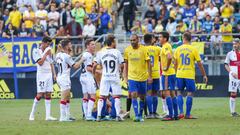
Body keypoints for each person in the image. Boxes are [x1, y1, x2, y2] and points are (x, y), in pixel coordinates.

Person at [174, 32, 208, 119]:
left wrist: (175, 73)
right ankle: (188, 114)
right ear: (190, 39)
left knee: (179, 92)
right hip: (189, 75)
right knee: (190, 93)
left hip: (179, 74)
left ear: (183, 38)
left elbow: (175, 63)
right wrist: (204, 75)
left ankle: (181, 112)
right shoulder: (194, 49)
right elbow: (199, 64)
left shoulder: (178, 49)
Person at [93, 35, 124, 121]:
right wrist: (121, 72)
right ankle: (118, 116)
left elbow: (94, 64)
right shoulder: (117, 52)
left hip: (105, 76)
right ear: (112, 42)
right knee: (116, 96)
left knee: (102, 97)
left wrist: (93, 73)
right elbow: (122, 64)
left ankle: (98, 116)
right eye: (115, 41)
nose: (115, 43)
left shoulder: (100, 52)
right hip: (114, 76)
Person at [124, 34, 152, 122]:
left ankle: (140, 114)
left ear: (138, 40)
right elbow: (126, 64)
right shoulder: (127, 50)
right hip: (132, 77)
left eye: (134, 40)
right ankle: (136, 115)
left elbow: (149, 64)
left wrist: (150, 76)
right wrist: (125, 76)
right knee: (133, 94)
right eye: (131, 40)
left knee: (142, 97)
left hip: (143, 77)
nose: (132, 42)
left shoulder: (144, 49)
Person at [29, 36, 57, 121]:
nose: (49, 46)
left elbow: (51, 63)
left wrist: (54, 74)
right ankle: (32, 114)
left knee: (48, 94)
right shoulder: (36, 51)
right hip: (41, 75)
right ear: (43, 43)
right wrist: (45, 53)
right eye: (48, 44)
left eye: (50, 44)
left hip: (49, 74)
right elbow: (40, 63)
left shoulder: (48, 51)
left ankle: (48, 116)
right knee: (40, 94)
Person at [55, 39, 83, 122]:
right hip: (64, 78)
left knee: (67, 98)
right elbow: (76, 66)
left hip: (60, 77)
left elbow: (68, 55)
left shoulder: (58, 55)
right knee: (64, 98)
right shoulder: (67, 56)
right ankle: (62, 117)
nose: (71, 45)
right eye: (70, 44)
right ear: (66, 46)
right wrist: (82, 59)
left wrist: (65, 49)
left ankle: (67, 115)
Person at [159, 31, 178, 121]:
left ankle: (170, 115)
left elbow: (170, 57)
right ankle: (175, 114)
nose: (159, 39)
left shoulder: (166, 46)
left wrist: (166, 67)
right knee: (172, 94)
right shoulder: (168, 46)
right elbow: (174, 59)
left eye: (160, 37)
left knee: (167, 94)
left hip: (167, 74)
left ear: (165, 38)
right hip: (171, 72)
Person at [79, 38, 97, 121]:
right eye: (92, 44)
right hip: (88, 77)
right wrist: (99, 71)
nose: (94, 46)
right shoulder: (89, 55)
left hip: (82, 76)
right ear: (87, 46)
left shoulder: (84, 54)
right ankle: (89, 115)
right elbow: (89, 68)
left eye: (94, 44)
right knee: (93, 96)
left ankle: (86, 115)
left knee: (85, 97)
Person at [144, 34, 161, 119]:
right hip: (156, 73)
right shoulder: (157, 49)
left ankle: (150, 113)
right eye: (153, 38)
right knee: (155, 93)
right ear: (151, 39)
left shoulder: (142, 49)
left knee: (148, 93)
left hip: (146, 74)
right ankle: (154, 112)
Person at [224, 38, 240, 117]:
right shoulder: (229, 54)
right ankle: (233, 112)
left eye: (236, 43)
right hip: (234, 77)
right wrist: (231, 72)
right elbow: (226, 64)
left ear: (239, 44)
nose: (235, 45)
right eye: (233, 44)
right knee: (233, 93)